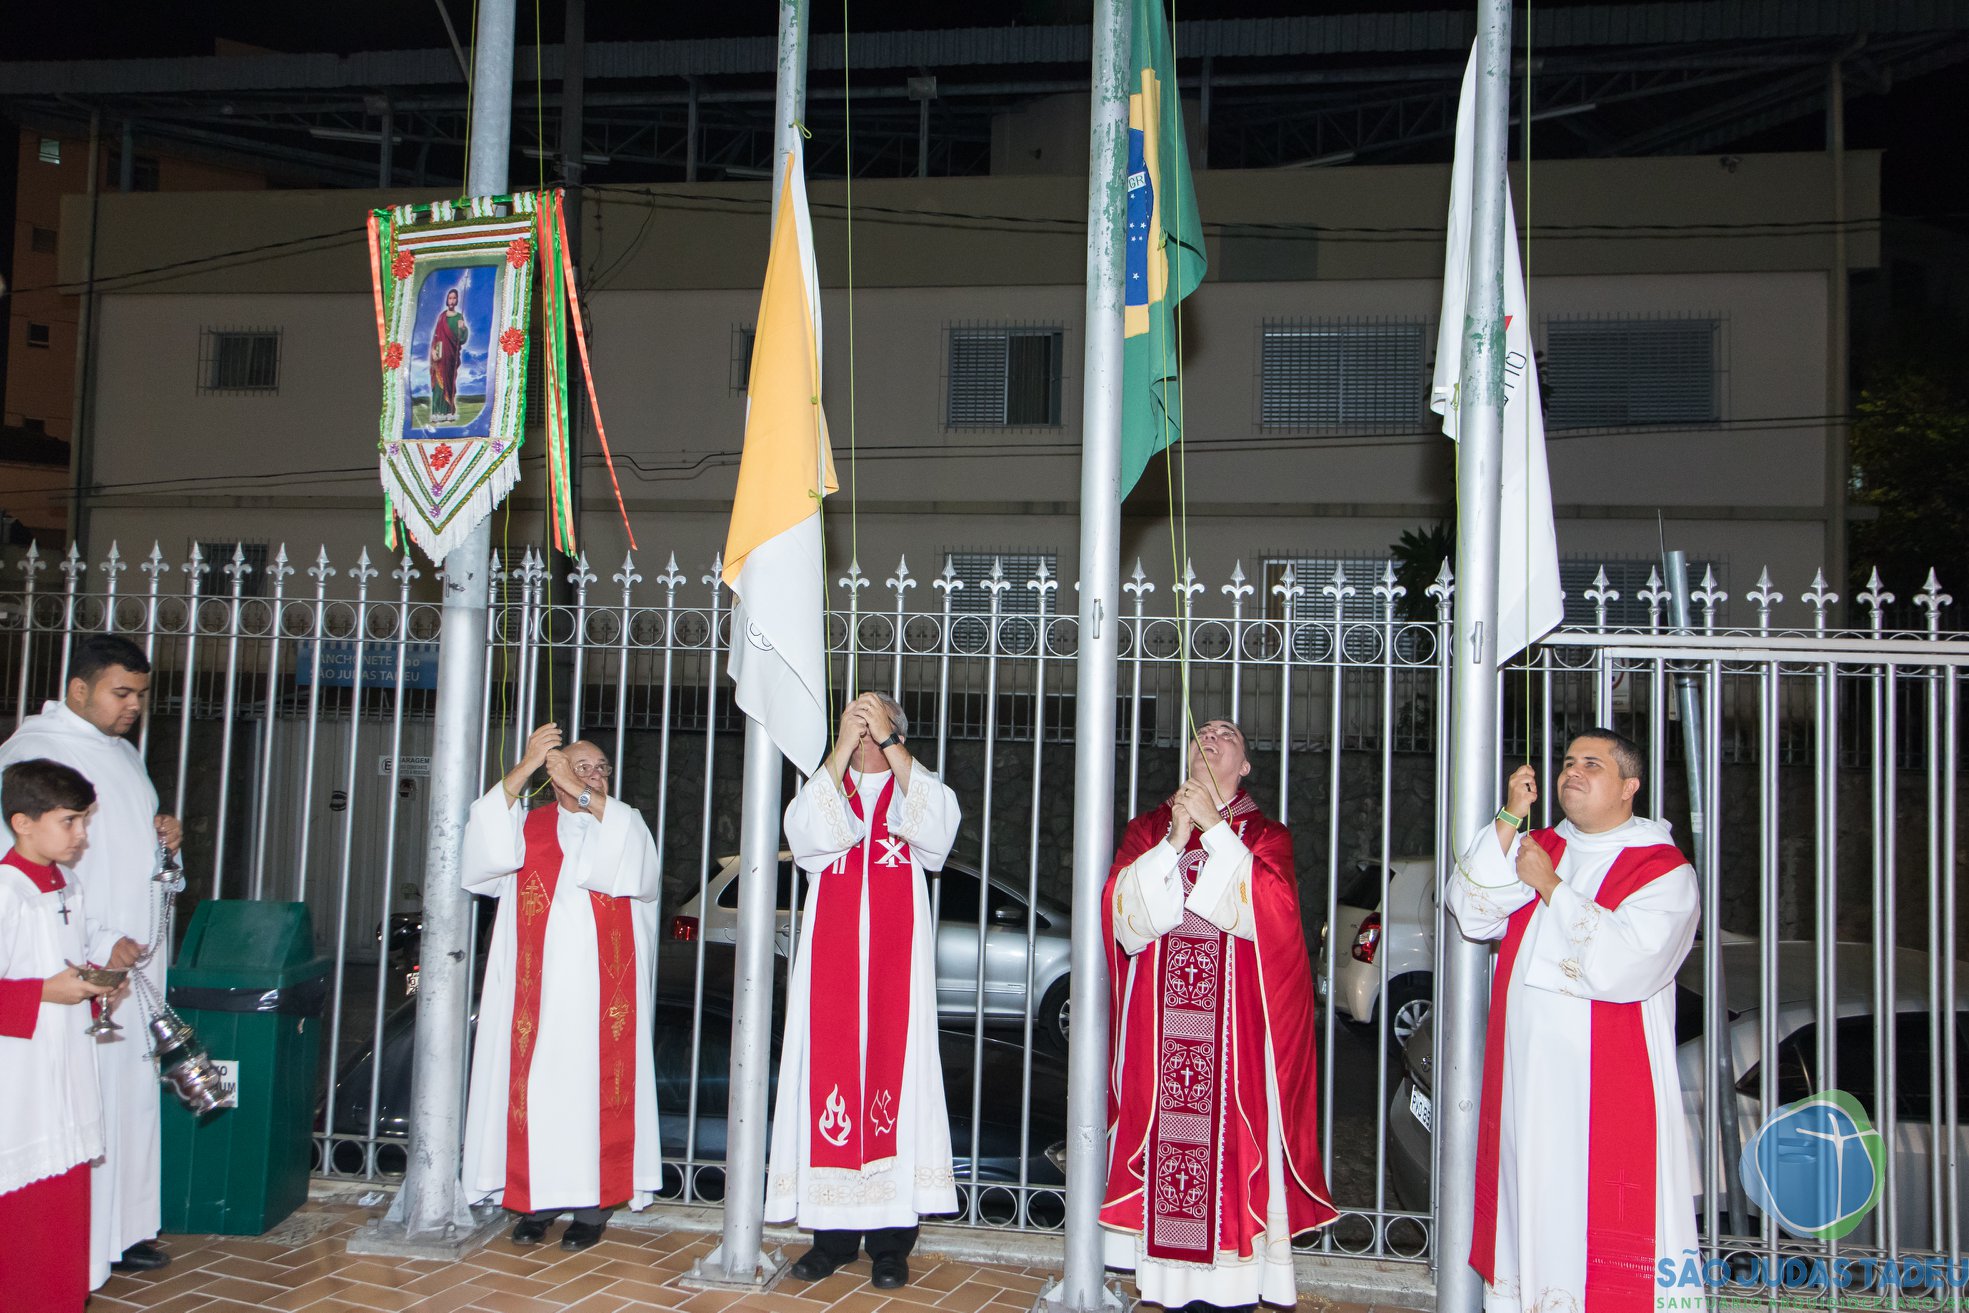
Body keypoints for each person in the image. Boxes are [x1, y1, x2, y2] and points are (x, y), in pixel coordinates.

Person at [1445, 729, 1700, 1313]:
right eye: (1566, 763)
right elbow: (1472, 910)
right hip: (1527, 1084)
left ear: (1630, 786)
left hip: (1603, 1093)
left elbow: (1629, 965)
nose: (1572, 774)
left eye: (1593, 764)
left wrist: (1551, 888)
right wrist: (1510, 816)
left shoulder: (1663, 871)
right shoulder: (1547, 845)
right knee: (1531, 1202)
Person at [1102, 718, 1337, 1311]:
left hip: (1233, 1033)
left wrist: (1217, 832)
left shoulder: (1265, 832)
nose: (1211, 738)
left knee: (1232, 1145)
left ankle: (1231, 1286)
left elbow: (1276, 912)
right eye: (1201, 733)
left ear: (1246, 766)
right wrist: (1174, 843)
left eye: (1226, 735)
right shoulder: (1150, 827)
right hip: (1163, 1029)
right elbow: (1120, 914)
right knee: (1165, 1143)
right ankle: (1167, 1283)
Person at [0, 634, 183, 1282]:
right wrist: (94, 942)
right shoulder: (33, 752)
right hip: (69, 961)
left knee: (129, 1093)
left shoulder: (124, 756)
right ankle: (83, 1240)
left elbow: (130, 843)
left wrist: (164, 831)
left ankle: (124, 1227)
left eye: (140, 693)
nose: (134, 704)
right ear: (78, 690)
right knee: (86, 1096)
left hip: (125, 954)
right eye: (121, 692)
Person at [767, 692, 962, 1290]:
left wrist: (892, 742)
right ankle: (830, 1240)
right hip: (831, 968)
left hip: (895, 976)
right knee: (827, 1081)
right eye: (855, 719)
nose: (865, 729)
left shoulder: (914, 788)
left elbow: (940, 833)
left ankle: (890, 1246)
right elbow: (803, 835)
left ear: (897, 732)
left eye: (874, 720)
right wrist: (841, 747)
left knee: (896, 1087)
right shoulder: (830, 790)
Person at [460, 724, 664, 1251]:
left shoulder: (624, 825)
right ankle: (536, 1205)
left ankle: (593, 1213)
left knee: (597, 1100)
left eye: (601, 769)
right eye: (580, 768)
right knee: (539, 1100)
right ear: (554, 778)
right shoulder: (527, 826)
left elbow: (640, 873)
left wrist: (586, 793)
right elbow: (480, 851)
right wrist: (526, 766)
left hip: (603, 1006)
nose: (594, 777)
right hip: (536, 1004)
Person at [0, 759, 117, 1312]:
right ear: (23, 822)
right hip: (19, 1085)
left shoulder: (66, 883)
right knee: (25, 1224)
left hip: (66, 1076)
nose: (81, 835)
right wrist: (44, 992)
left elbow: (62, 962)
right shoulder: (6, 892)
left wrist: (95, 982)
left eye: (84, 822)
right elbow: (34, 981)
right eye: (70, 822)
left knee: (65, 1217)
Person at [428, 285, 469, 421]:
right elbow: (436, 336)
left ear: (457, 301)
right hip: (440, 357)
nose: (452, 300)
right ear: (447, 300)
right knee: (439, 386)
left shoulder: (459, 317)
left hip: (451, 357)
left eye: (454, 298)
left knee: (449, 384)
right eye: (450, 298)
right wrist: (433, 350)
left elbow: (461, 340)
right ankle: (437, 414)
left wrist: (462, 329)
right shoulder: (441, 317)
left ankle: (448, 412)